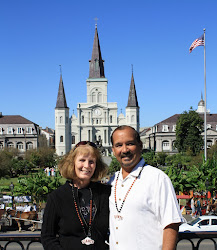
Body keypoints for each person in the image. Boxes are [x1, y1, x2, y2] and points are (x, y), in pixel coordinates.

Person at [109, 125, 183, 250]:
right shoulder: (112, 180)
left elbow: (171, 224)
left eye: (130, 143)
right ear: (113, 150)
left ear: (140, 145)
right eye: (119, 145)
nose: (125, 150)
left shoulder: (157, 178)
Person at [41, 141, 110, 250]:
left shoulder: (105, 193)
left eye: (91, 161)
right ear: (72, 163)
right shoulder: (57, 197)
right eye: (82, 160)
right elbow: (48, 237)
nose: (87, 166)